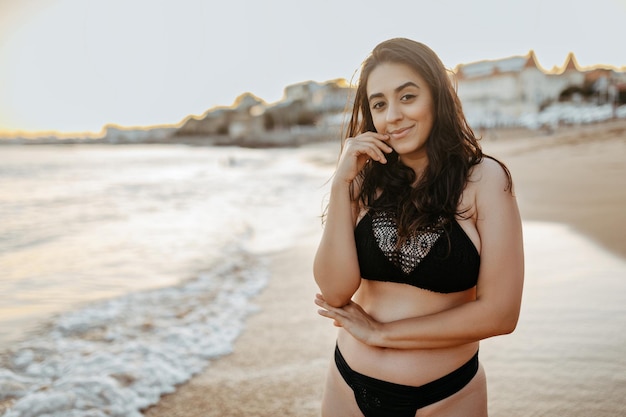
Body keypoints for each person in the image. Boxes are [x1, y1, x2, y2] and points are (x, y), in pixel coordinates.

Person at [313, 38, 524, 417]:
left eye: (407, 97)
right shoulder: (362, 182)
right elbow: (334, 290)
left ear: (437, 98)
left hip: (445, 397)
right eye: (379, 104)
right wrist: (340, 186)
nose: (392, 115)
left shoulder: (484, 181)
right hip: (346, 387)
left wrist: (382, 334)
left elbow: (500, 313)